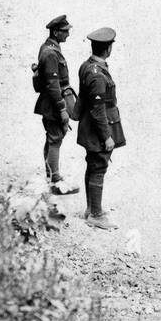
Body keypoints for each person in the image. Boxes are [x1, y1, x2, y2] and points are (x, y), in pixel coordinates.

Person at [77, 27, 125, 230]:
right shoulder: (97, 75)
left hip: (88, 125)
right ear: (107, 49)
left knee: (93, 166)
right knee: (98, 167)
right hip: (97, 128)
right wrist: (107, 137)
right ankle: (95, 214)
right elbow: (98, 110)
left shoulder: (87, 66)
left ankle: (91, 209)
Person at [33, 14, 79, 196]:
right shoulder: (51, 53)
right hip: (53, 104)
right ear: (55, 31)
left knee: (52, 138)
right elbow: (53, 86)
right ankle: (55, 182)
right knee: (55, 139)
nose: (68, 34)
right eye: (65, 31)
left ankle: (51, 175)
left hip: (50, 102)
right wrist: (62, 109)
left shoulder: (48, 47)